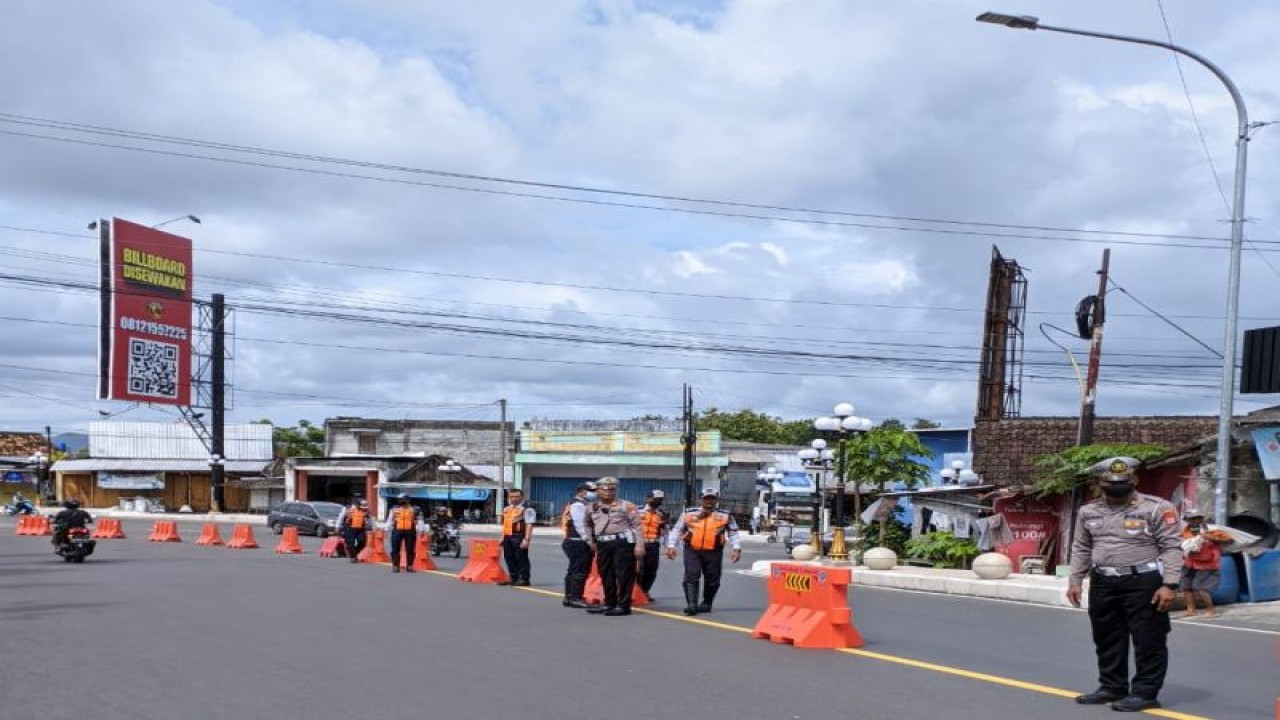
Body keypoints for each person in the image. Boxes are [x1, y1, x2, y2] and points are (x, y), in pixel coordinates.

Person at [1067, 457, 1183, 713]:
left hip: (1143, 581)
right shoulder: (1088, 511)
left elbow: (1171, 546)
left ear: (1134, 480)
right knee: (1107, 637)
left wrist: (1170, 585)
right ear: (1100, 483)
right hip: (1103, 582)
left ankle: (1145, 692)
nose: (1118, 485)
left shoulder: (1156, 508)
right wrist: (1075, 580)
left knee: (1148, 639)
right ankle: (1111, 687)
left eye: (1124, 481)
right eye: (1111, 482)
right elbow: (1082, 547)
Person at [666, 488, 741, 616]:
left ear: (716, 500)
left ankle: (707, 603)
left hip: (714, 551)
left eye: (712, 498)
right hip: (692, 550)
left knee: (713, 579)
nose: (709, 502)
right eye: (706, 498)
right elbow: (677, 529)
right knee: (691, 575)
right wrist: (671, 546)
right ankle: (692, 604)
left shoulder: (725, 515)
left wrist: (736, 548)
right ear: (701, 499)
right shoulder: (689, 513)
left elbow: (733, 532)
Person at [585, 477, 643, 616]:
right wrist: (590, 540)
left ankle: (624, 605)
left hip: (622, 543)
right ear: (598, 490)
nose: (608, 493)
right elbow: (587, 524)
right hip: (603, 543)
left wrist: (639, 546)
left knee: (624, 575)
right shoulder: (592, 507)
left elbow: (638, 526)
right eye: (604, 490)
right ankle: (609, 603)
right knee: (606, 574)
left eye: (611, 490)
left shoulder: (626, 505)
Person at [1177, 511, 1233, 619]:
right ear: (1188, 520)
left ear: (1202, 519)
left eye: (1197, 518)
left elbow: (1228, 539)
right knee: (1186, 586)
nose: (1195, 521)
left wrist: (1209, 538)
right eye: (1192, 519)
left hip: (1207, 563)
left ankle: (1210, 610)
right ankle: (1191, 610)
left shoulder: (1211, 530)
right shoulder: (1185, 530)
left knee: (1201, 588)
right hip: (1189, 562)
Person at [560, 482, 596, 608]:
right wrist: (589, 541)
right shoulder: (578, 505)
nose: (594, 493)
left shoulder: (579, 504)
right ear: (581, 491)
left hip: (574, 541)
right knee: (580, 571)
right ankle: (576, 598)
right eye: (591, 490)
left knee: (574, 569)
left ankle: (569, 597)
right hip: (577, 541)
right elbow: (581, 526)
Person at [636, 489, 670, 601]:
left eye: (660, 500)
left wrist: (668, 546)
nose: (657, 502)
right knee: (639, 570)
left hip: (653, 544)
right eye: (655, 499)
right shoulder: (637, 511)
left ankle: (645, 591)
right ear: (648, 499)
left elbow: (665, 531)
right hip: (638, 544)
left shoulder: (662, 514)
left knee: (651, 570)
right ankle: (636, 591)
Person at [499, 488, 536, 587]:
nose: (514, 499)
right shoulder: (507, 509)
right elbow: (505, 524)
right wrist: (502, 537)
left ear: (522, 497)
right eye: (511, 496)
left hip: (519, 536)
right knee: (509, 558)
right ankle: (513, 578)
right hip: (507, 536)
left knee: (521, 558)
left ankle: (524, 579)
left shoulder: (527, 509)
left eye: (516, 496)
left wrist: (526, 539)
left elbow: (529, 525)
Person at [383, 494, 421, 574]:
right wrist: (386, 529)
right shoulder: (394, 509)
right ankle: (396, 566)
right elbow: (389, 520)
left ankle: (409, 566)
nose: (400, 501)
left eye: (402, 499)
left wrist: (421, 530)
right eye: (399, 499)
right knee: (395, 549)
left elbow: (420, 521)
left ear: (407, 500)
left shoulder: (415, 509)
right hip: (397, 530)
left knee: (410, 549)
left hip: (410, 531)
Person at [338, 498, 370, 563]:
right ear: (357, 505)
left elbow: (370, 519)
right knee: (350, 542)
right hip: (349, 528)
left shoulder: (366, 510)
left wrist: (373, 527)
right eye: (362, 506)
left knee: (362, 541)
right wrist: (337, 526)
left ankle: (354, 554)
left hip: (361, 528)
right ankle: (353, 557)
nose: (363, 508)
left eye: (364, 507)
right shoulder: (348, 508)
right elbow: (340, 517)